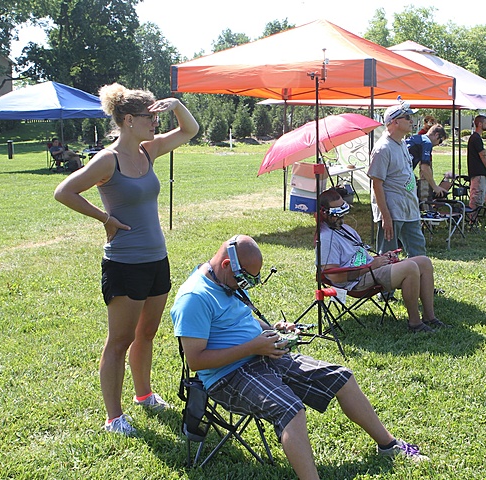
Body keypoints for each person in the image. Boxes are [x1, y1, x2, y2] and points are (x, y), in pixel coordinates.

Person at [170, 235, 430, 480]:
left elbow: (243, 320)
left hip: (260, 353)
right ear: (227, 264)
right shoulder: (193, 298)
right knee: (291, 409)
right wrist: (253, 347)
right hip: (227, 376)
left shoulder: (226, 280)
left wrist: (272, 329)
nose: (246, 286)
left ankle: (389, 445)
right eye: (245, 280)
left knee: (342, 377)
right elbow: (196, 361)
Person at [53, 82, 199, 435]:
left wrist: (176, 104)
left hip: (156, 259)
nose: (156, 122)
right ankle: (114, 417)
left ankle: (144, 394)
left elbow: (191, 130)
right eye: (150, 117)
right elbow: (64, 191)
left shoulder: (148, 151)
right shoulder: (108, 159)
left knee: (146, 333)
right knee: (120, 341)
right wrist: (105, 219)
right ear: (129, 120)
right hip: (124, 263)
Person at [318, 188, 446, 333]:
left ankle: (429, 317)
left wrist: (382, 258)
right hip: (356, 281)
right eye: (337, 213)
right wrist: (372, 266)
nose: (342, 216)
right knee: (410, 267)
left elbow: (360, 257)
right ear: (325, 213)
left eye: (344, 210)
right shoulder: (326, 238)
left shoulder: (344, 229)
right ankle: (415, 323)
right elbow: (335, 277)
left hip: (369, 270)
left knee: (424, 262)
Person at [368, 98, 426, 258]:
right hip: (392, 212)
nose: (411, 121)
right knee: (388, 257)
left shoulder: (401, 144)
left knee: (419, 253)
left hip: (409, 210)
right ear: (395, 122)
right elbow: (377, 185)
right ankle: (387, 284)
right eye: (407, 117)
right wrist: (386, 216)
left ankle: (420, 283)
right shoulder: (382, 149)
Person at [406, 124, 448, 202]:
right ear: (436, 135)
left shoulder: (416, 138)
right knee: (410, 199)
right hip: (401, 177)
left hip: (396, 174)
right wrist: (435, 187)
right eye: (440, 141)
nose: (438, 144)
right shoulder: (427, 142)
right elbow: (424, 168)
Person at [466, 114, 486, 211]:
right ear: (479, 124)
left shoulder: (476, 138)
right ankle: (472, 219)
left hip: (478, 172)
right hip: (477, 172)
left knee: (479, 196)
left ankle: (474, 218)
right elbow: (483, 156)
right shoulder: (476, 138)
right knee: (476, 197)